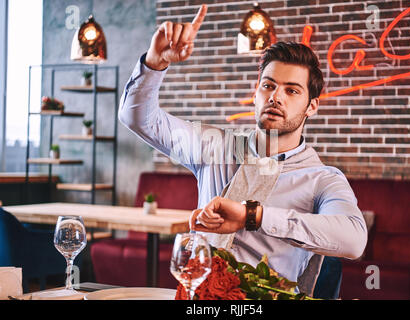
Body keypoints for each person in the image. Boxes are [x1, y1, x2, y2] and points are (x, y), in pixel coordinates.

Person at [118, 4, 367, 296]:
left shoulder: (322, 178)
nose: (276, 97)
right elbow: (137, 119)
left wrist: (255, 217)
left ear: (312, 105)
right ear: (256, 93)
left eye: (292, 90)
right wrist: (154, 64)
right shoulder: (215, 146)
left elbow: (353, 240)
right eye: (268, 86)